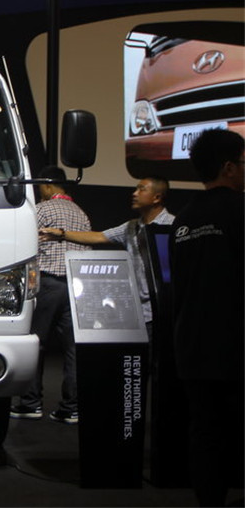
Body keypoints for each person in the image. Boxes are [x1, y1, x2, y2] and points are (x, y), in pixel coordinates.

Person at [171, 129, 244, 507]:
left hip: (193, 346)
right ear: (229, 167)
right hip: (235, 344)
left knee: (205, 432)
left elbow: (179, 285)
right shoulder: (240, 210)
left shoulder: (183, 220)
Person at [10, 166, 91, 424]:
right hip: (76, 285)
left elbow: (25, 244)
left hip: (47, 284)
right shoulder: (81, 214)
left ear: (46, 185)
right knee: (73, 348)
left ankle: (30, 403)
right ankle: (71, 407)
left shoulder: (42, 210)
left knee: (36, 343)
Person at [39, 176, 174, 329]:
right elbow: (99, 236)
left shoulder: (172, 225)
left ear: (157, 197)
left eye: (141, 189)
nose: (135, 193)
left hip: (164, 310)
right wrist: (62, 234)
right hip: (139, 312)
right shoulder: (132, 227)